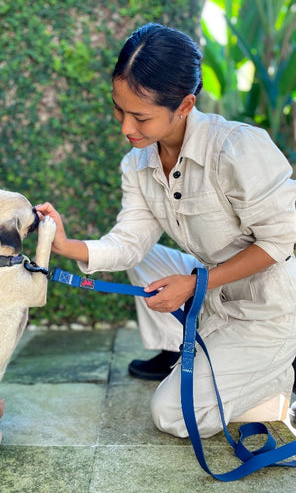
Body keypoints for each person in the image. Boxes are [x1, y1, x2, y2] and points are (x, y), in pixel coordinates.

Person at [37, 22, 296, 438]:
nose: (126, 127)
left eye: (140, 116)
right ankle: (183, 349)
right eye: (119, 110)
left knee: (170, 413)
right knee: (146, 260)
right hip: (212, 287)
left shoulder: (236, 148)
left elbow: (282, 241)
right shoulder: (137, 164)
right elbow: (129, 244)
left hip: (269, 304)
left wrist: (195, 283)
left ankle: (276, 375)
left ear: (185, 104)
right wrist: (65, 245)